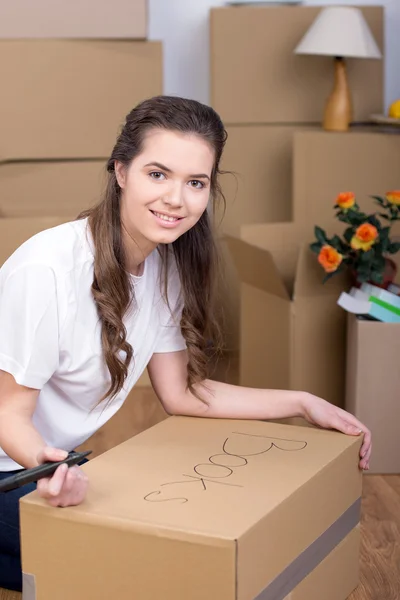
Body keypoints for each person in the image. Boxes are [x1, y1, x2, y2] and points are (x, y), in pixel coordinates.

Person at [0, 95, 371, 592]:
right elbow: (7, 415)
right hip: (15, 466)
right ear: (121, 171)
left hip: (42, 464)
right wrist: (52, 470)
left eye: (195, 182)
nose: (176, 199)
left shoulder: (164, 267)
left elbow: (180, 393)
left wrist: (302, 403)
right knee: (132, 571)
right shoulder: (48, 268)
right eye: (158, 174)